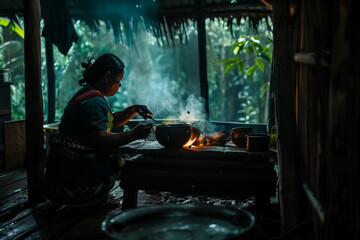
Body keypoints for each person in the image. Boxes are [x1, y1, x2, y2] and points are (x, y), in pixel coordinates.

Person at [43, 53, 153, 207]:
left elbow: (109, 120)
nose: (119, 85)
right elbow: (101, 139)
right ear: (107, 77)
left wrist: (133, 110)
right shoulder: (94, 101)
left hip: (65, 162)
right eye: (118, 81)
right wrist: (134, 134)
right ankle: (94, 196)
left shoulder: (89, 94)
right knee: (123, 158)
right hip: (75, 164)